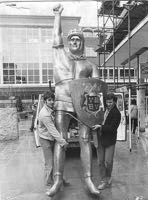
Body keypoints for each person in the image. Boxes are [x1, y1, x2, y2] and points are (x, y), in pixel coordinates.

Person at [47, 4, 101, 197]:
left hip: (83, 107)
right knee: (61, 140)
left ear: (82, 42)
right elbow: (56, 37)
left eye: (79, 39)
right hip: (62, 101)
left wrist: (96, 119)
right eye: (72, 38)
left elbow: (96, 92)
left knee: (85, 140)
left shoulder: (90, 65)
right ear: (68, 42)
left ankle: (88, 178)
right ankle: (58, 179)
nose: (75, 41)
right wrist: (57, 16)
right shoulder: (59, 54)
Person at [38, 91, 68, 194]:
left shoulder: (50, 109)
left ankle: (60, 179)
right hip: (45, 139)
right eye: (49, 100)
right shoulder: (45, 114)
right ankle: (49, 185)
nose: (51, 102)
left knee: (56, 160)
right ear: (45, 101)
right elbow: (53, 131)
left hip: (50, 138)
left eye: (52, 100)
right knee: (49, 163)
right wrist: (63, 142)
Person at [92, 93, 121, 190]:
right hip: (100, 139)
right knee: (100, 162)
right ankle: (104, 180)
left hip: (109, 140)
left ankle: (108, 177)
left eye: (110, 102)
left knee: (108, 162)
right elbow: (101, 120)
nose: (108, 104)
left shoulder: (117, 113)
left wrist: (100, 127)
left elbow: (113, 128)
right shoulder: (104, 110)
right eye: (107, 102)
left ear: (114, 102)